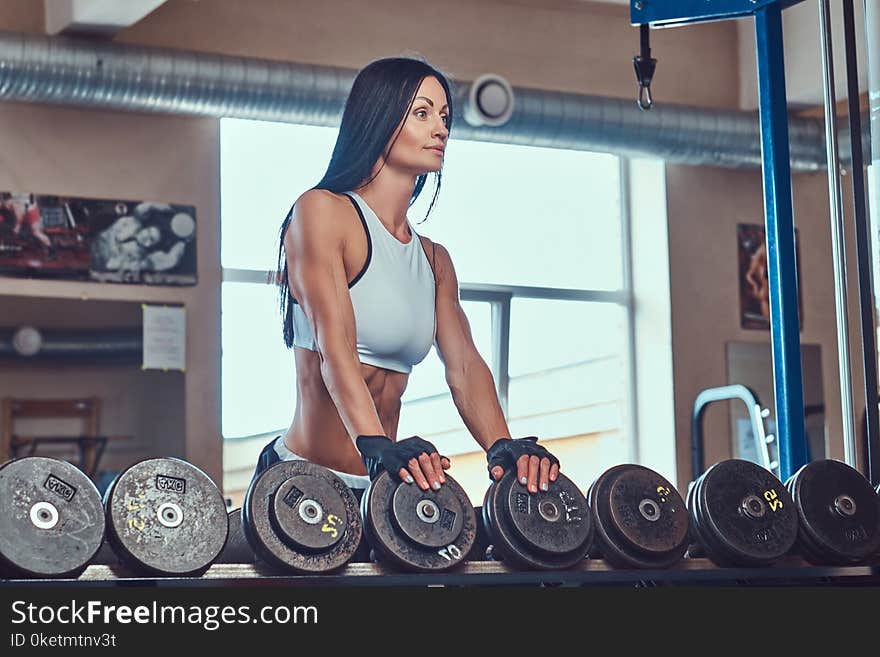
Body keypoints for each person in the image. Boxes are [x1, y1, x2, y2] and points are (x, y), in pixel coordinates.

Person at [253, 57, 562, 510]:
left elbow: (464, 367)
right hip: (302, 483)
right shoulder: (323, 212)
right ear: (377, 119)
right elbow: (334, 350)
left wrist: (502, 445)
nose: (440, 129)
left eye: (444, 117)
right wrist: (373, 444)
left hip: (379, 492)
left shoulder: (434, 260)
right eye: (422, 113)